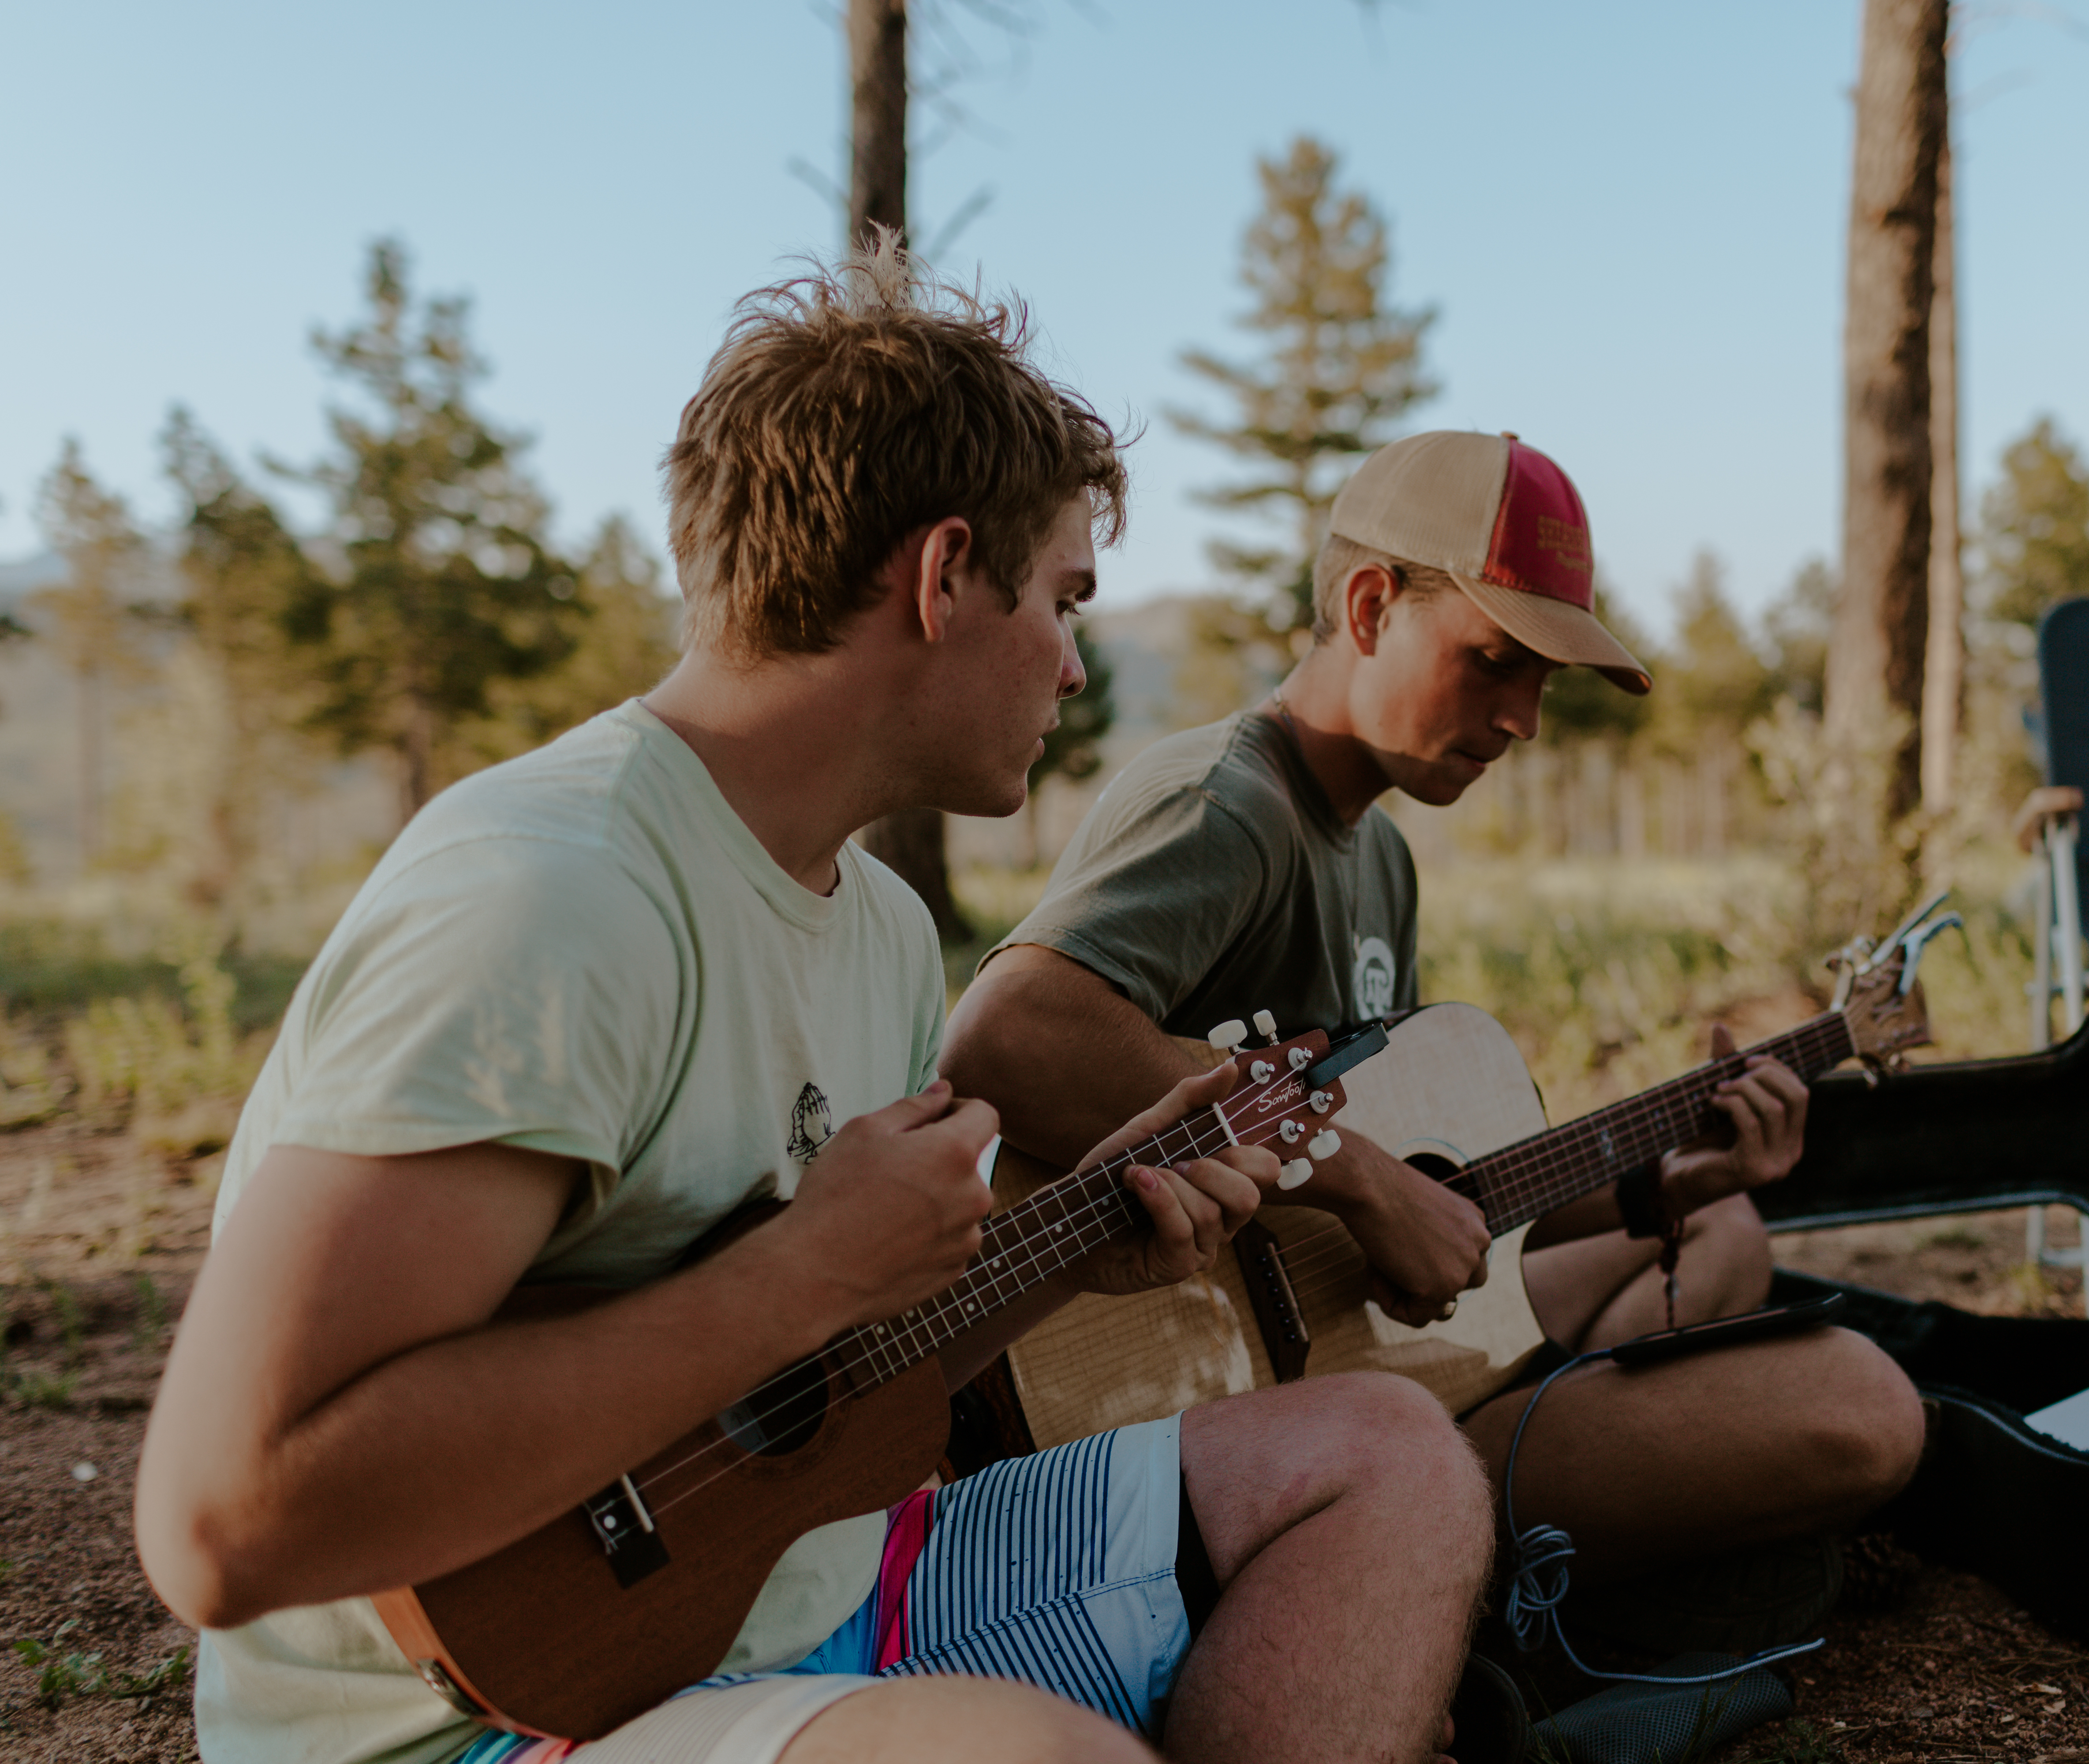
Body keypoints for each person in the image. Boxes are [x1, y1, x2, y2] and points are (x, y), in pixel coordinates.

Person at [134, 247, 1492, 1764]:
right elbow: (226, 1518)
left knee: (1391, 1459)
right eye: (1060, 599)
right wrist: (796, 1277)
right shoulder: (551, 897)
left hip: (812, 1592)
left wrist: (1080, 1240)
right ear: (940, 575)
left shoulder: (883, 926)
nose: (1071, 667)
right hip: (475, 1720)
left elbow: (807, 1391)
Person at [942, 429, 1926, 1658]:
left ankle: (1481, 1534)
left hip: (1358, 1342)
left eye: (1543, 682)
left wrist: (1664, 1173)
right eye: (1495, 662)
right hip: (1193, 1400)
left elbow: (1440, 1189)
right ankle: (1422, 1557)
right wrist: (1359, 1182)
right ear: (1367, 605)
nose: (1520, 718)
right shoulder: (1226, 803)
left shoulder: (1380, 857)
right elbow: (1004, 1034)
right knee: (1861, 1411)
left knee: (1717, 1233)